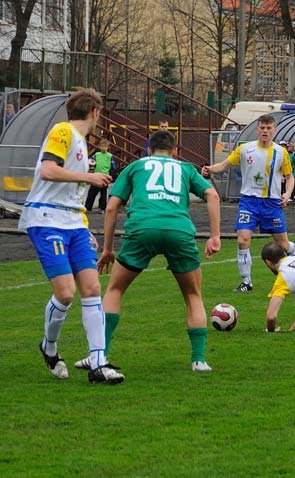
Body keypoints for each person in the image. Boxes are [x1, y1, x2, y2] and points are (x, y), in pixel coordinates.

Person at [78, 130, 221, 374]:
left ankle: (98, 355)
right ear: (175, 151)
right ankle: (199, 360)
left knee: (115, 290)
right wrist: (215, 235)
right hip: (179, 230)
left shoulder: (135, 167)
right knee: (193, 295)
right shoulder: (185, 168)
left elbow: (111, 208)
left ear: (148, 150)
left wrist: (108, 249)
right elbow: (212, 194)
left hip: (142, 228)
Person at [18, 88, 123, 384]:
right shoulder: (62, 131)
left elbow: (69, 192)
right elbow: (48, 171)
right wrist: (89, 176)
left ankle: (99, 364)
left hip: (73, 222)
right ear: (95, 113)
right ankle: (49, 347)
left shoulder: (81, 143)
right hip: (47, 219)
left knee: (91, 289)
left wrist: (84, 226)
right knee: (66, 293)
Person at [201, 114, 295, 292]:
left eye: (268, 128)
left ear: (274, 130)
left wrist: (288, 193)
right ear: (257, 129)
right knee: (242, 240)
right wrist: (208, 169)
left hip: (272, 203)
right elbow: (223, 166)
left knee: (283, 245)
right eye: (262, 128)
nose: (265, 131)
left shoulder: (280, 152)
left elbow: (289, 177)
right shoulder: (245, 149)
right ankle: (246, 282)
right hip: (249, 202)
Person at [84, 138, 115, 213]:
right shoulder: (96, 155)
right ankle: (88, 207)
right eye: (102, 146)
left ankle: (102, 208)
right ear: (100, 146)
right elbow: (92, 162)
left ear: (108, 147)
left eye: (105, 146)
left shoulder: (110, 156)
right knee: (91, 192)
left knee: (103, 194)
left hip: (105, 177)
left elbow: (113, 166)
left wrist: (110, 174)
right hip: (96, 176)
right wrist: (91, 168)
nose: (103, 148)